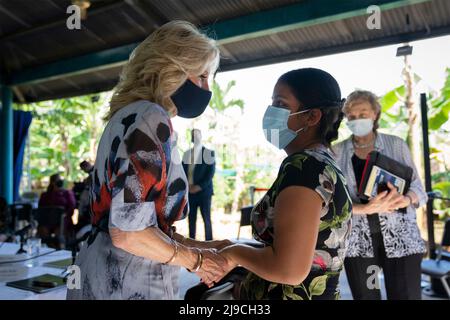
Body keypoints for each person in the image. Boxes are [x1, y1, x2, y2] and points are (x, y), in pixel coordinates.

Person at [67, 21, 231, 300]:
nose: (206, 87)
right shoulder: (150, 119)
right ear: (172, 69)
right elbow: (130, 233)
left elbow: (141, 221)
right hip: (126, 282)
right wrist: (198, 262)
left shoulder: (128, 117)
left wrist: (200, 247)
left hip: (104, 274)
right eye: (202, 76)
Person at [219, 68, 353, 300]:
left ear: (311, 116)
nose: (271, 113)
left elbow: (289, 270)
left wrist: (234, 253)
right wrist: (226, 246)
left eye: (280, 105)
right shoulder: (325, 163)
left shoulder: (304, 167)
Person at [334, 90, 427, 300]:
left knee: (405, 296)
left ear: (375, 114)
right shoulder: (336, 153)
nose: (357, 119)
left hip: (402, 241)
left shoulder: (396, 145)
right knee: (368, 297)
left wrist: (406, 199)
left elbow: (419, 190)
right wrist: (363, 208)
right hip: (360, 246)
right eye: (352, 116)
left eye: (363, 113)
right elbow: (332, 203)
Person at [182, 129, 215, 240]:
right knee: (191, 218)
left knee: (206, 218)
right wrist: (188, 187)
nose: (194, 137)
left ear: (201, 136)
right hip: (189, 193)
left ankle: (209, 242)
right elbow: (181, 172)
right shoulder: (186, 154)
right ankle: (191, 241)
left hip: (204, 192)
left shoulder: (209, 153)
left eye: (197, 134)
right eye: (192, 135)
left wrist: (198, 187)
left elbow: (210, 174)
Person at [38, 173, 77, 241]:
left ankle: (61, 245)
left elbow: (72, 207)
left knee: (60, 231)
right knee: (43, 230)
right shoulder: (45, 195)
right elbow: (41, 209)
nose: (60, 181)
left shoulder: (67, 193)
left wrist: (64, 216)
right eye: (58, 180)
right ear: (53, 182)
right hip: (48, 220)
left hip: (63, 220)